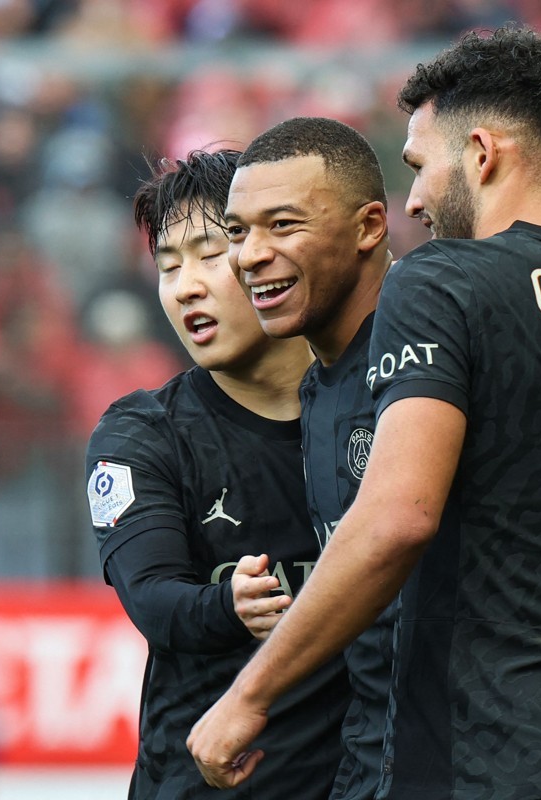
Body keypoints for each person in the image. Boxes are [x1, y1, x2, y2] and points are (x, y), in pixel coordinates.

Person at [189, 25, 541, 800]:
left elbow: (399, 516)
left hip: (493, 747)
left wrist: (247, 697)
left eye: (422, 167)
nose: (418, 200)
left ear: (482, 153)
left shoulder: (443, 282)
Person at [86, 148, 348, 799]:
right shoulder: (143, 434)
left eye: (207, 254)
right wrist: (226, 605)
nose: (185, 286)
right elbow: (151, 597)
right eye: (167, 267)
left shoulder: (385, 412)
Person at [220, 117, 393, 800]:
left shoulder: (430, 362)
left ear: (369, 227)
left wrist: (246, 699)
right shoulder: (318, 386)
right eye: (237, 232)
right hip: (370, 756)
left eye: (283, 225)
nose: (250, 255)